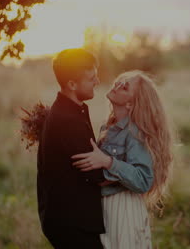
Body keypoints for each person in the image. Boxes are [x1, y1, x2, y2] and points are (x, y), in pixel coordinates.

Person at [71, 70, 174, 248]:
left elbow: (143, 180)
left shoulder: (134, 132)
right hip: (108, 207)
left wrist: (108, 162)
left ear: (130, 104)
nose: (117, 85)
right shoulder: (109, 127)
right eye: (120, 82)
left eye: (124, 87)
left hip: (123, 207)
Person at [37, 48, 105, 248]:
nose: (97, 81)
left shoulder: (71, 111)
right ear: (72, 84)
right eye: (91, 77)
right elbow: (97, 175)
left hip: (69, 218)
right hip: (72, 223)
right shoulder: (66, 120)